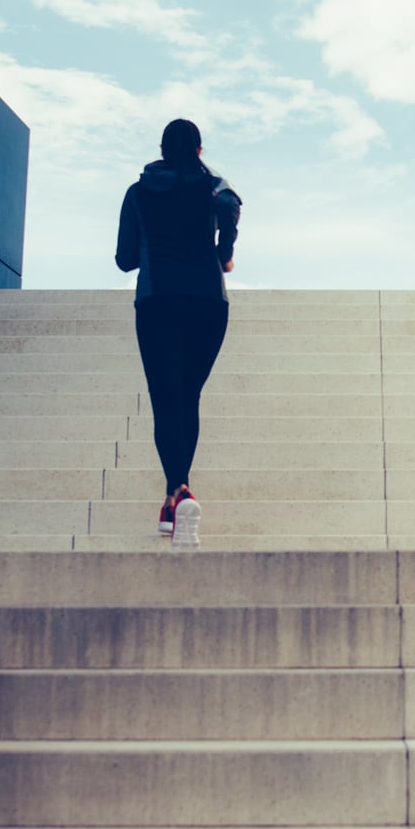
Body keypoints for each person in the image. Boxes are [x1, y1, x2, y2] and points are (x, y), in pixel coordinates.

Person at [115, 118, 240, 547]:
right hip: (208, 302)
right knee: (188, 396)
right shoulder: (212, 187)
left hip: (157, 301)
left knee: (166, 399)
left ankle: (177, 492)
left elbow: (124, 259)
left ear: (162, 151)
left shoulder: (138, 192)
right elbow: (231, 206)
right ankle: (177, 495)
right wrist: (223, 252)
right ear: (200, 150)